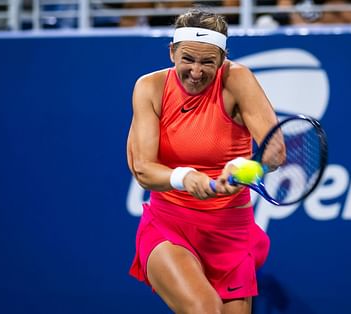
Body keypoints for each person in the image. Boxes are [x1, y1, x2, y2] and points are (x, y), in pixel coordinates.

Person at [126, 7, 280, 314]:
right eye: (188, 59)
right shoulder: (150, 88)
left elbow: (275, 152)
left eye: (208, 61)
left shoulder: (238, 80)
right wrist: (183, 177)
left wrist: (243, 168)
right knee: (205, 308)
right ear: (172, 53)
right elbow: (143, 169)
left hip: (231, 232)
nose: (196, 71)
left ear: (223, 59)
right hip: (170, 226)